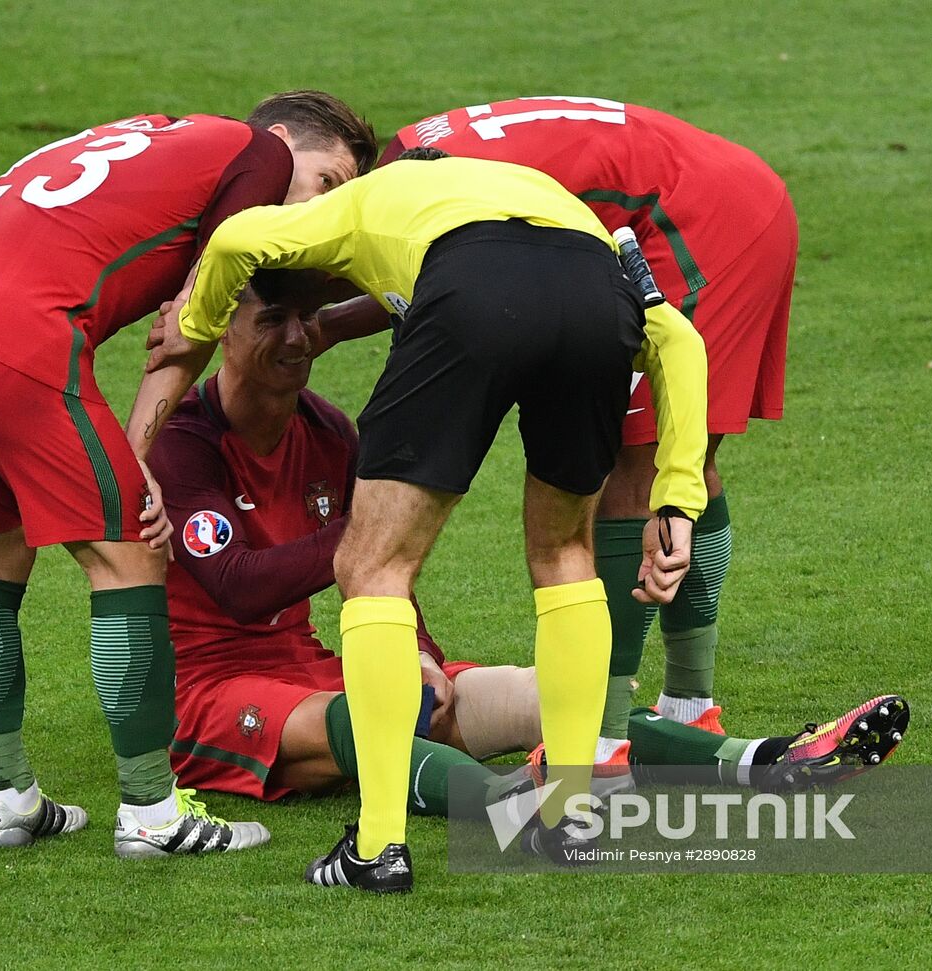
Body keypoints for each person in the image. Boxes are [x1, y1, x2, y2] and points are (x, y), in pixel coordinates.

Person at [145, 150, 712, 893]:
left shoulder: (371, 200)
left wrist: (196, 320)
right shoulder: (554, 200)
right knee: (566, 551)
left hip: (471, 284)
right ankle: (572, 814)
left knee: (373, 566)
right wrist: (676, 497)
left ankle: (377, 847)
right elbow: (682, 343)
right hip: (592, 295)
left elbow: (233, 243)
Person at [150, 281, 910, 828]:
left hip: (320, 657)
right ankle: (512, 805)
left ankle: (767, 759)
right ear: (221, 327)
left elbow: (380, 576)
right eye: (269, 320)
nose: (294, 338)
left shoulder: (327, 429)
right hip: (209, 692)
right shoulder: (185, 442)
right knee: (368, 712)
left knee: (558, 696)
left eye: (306, 319)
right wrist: (366, 541)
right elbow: (239, 587)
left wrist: (415, 650)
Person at [0, 91, 377, 857]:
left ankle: (7, 797)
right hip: (12, 339)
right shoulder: (258, 156)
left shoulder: (145, 138)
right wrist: (139, 458)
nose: (326, 208)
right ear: (282, 142)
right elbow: (193, 321)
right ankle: (152, 813)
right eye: (329, 183)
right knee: (133, 549)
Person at [320, 95, 799, 758]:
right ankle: (689, 706)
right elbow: (428, 265)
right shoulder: (417, 161)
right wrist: (325, 326)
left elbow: (457, 270)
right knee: (677, 460)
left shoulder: (414, 188)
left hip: (693, 222)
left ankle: (601, 742)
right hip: (720, 193)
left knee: (635, 469)